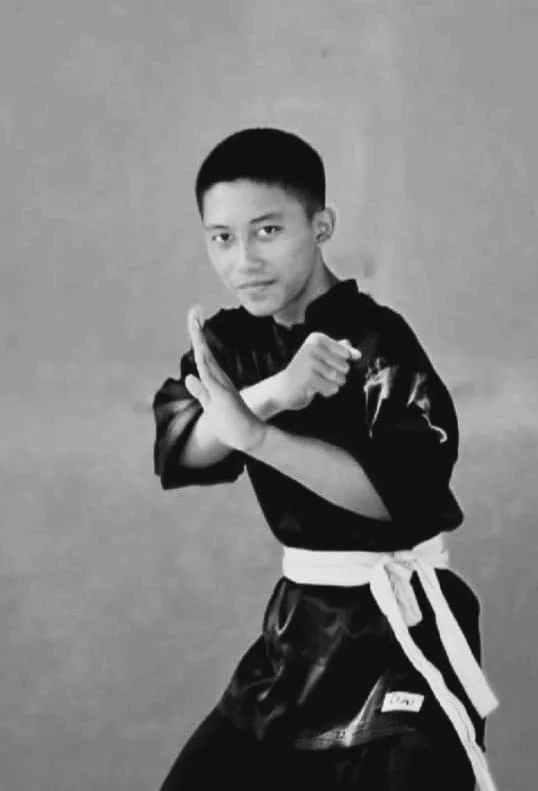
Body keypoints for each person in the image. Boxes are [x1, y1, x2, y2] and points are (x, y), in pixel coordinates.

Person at [151, 127, 499, 790]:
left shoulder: (377, 341)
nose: (244, 260)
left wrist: (261, 438)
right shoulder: (230, 342)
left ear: (321, 226)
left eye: (267, 231)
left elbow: (402, 496)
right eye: (221, 237)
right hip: (298, 633)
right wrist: (273, 395)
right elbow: (183, 449)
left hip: (398, 630)